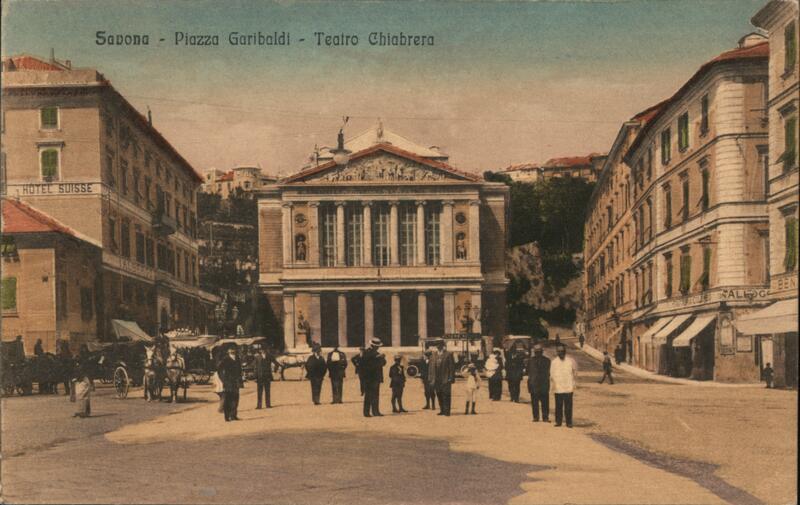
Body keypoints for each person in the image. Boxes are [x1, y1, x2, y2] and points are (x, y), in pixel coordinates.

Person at [550, 345, 578, 428]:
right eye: (559, 351)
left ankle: (569, 422)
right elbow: (551, 374)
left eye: (562, 351)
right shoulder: (554, 362)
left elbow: (575, 372)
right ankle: (558, 421)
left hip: (568, 387)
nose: (561, 353)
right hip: (558, 387)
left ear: (565, 352)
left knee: (568, 406)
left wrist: (573, 382)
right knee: (558, 406)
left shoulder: (570, 361)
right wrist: (554, 384)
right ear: (557, 352)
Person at [427, 339, 456, 416]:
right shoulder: (433, 355)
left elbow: (452, 367)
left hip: (446, 378)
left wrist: (451, 377)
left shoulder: (448, 354)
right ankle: (442, 410)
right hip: (436, 378)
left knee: (446, 394)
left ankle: (447, 411)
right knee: (439, 394)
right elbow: (430, 367)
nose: (438, 346)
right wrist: (430, 378)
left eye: (439, 345)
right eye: (437, 345)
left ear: (442, 346)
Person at [361, 338, 387, 417]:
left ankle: (375, 411)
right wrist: (377, 357)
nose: (378, 347)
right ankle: (366, 412)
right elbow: (366, 363)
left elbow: (383, 363)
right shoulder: (367, 352)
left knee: (375, 395)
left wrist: (381, 358)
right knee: (368, 395)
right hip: (369, 378)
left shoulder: (376, 353)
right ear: (373, 345)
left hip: (376, 377)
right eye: (377, 346)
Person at [527, 344, 551, 422]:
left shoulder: (547, 360)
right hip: (533, 384)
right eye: (536, 352)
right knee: (534, 402)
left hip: (544, 384)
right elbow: (528, 371)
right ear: (534, 352)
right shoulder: (530, 360)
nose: (538, 353)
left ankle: (545, 417)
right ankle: (536, 417)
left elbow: (549, 372)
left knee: (545, 402)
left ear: (542, 352)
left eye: (539, 352)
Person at [218, 347, 243, 421]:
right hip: (228, 382)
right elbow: (219, 370)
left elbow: (240, 370)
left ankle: (233, 415)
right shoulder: (225, 359)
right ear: (228, 351)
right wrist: (223, 379)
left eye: (233, 349)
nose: (232, 351)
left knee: (236, 399)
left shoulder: (237, 358)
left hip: (236, 382)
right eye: (230, 350)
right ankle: (227, 417)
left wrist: (240, 379)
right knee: (228, 399)